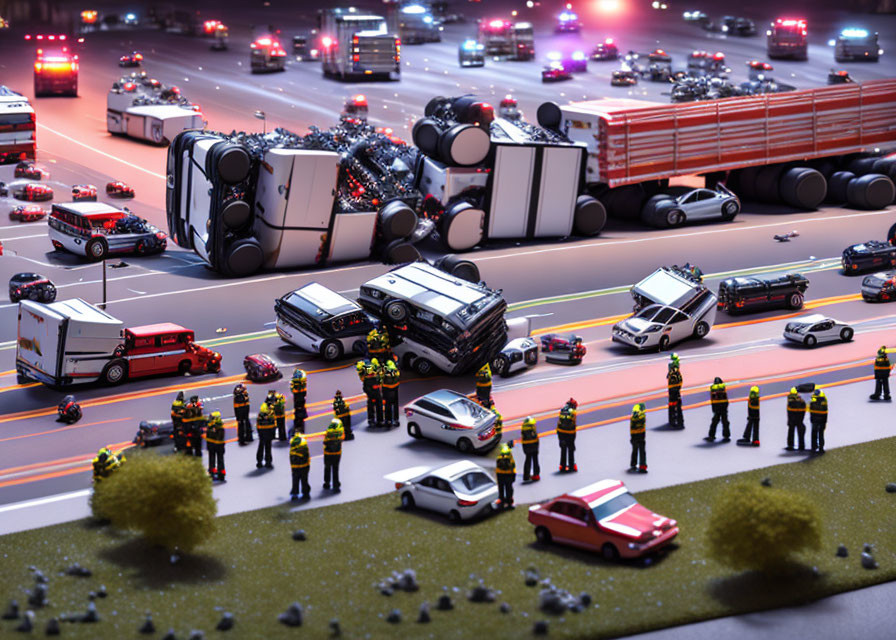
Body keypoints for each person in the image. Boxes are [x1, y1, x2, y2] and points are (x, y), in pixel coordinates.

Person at [360, 358, 384, 428]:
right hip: (372, 395)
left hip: (377, 395)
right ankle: (372, 420)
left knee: (379, 407)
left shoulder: (375, 378)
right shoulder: (368, 380)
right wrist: (371, 394)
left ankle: (379, 420)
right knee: (371, 408)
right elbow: (365, 389)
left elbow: (380, 383)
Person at [705, 377, 730, 442]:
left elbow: (712, 399)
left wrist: (713, 408)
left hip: (716, 406)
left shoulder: (713, 388)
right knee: (725, 421)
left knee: (715, 421)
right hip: (723, 406)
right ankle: (726, 436)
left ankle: (711, 435)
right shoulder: (723, 387)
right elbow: (726, 398)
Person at [323, 418, 344, 492]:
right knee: (335, 469)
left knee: (327, 467)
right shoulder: (340, 432)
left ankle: (327, 482)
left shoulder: (328, 432)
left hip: (328, 454)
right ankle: (336, 485)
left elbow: (324, 442)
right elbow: (342, 439)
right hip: (337, 454)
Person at [556, 398, 578, 472]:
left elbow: (560, 421)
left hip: (561, 432)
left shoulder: (562, 410)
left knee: (563, 449)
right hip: (570, 433)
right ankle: (572, 466)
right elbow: (573, 423)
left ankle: (562, 466)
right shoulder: (573, 412)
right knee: (571, 449)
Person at [204, 410, 226, 481]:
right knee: (220, 459)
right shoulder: (221, 426)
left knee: (212, 458)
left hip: (212, 445)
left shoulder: (211, 426)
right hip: (220, 446)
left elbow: (209, 436)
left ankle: (213, 470)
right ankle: (221, 472)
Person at [289, 432, 311, 501]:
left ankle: (294, 493)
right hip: (304, 466)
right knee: (304, 479)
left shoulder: (292, 444)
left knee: (295, 479)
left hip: (295, 466)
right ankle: (306, 493)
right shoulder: (304, 443)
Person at [495, 443, 516, 509]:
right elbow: (512, 465)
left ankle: (501, 503)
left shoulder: (498, 452)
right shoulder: (509, 454)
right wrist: (513, 475)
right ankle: (509, 504)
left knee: (501, 489)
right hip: (508, 473)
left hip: (499, 473)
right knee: (509, 489)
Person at [256, 401, 276, 469]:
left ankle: (259, 462)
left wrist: (259, 433)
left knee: (261, 447)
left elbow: (258, 426)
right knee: (268, 447)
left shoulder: (260, 415)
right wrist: (273, 434)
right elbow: (273, 425)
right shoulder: (271, 414)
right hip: (269, 433)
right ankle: (268, 462)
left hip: (262, 433)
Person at [520, 416, 540, 483]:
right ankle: (536, 475)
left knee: (527, 460)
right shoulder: (532, 427)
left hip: (526, 445)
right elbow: (535, 436)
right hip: (533, 444)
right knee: (535, 460)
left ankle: (526, 476)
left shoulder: (523, 427)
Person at [666, 353, 684, 429]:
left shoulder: (670, 372)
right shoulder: (676, 372)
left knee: (672, 405)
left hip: (672, 390)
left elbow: (668, 378)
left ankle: (672, 420)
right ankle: (679, 421)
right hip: (676, 390)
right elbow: (680, 380)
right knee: (677, 405)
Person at [381, 360, 400, 428]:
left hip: (387, 390)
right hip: (395, 389)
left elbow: (381, 379)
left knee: (387, 405)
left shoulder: (386, 372)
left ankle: (388, 420)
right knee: (395, 405)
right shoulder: (396, 371)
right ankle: (396, 419)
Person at [628, 403, 647, 473]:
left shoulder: (633, 418)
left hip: (635, 437)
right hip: (640, 437)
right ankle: (642, 466)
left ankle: (634, 465)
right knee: (641, 452)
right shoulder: (642, 417)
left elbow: (632, 428)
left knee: (635, 451)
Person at [809, 389, 828, 454]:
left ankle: (814, 447)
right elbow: (825, 412)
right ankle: (821, 448)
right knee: (821, 434)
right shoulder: (823, 400)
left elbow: (811, 410)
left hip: (815, 420)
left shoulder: (813, 399)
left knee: (814, 433)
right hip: (821, 420)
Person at [290, 369, 307, 437]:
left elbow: (292, 389)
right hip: (300, 400)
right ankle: (300, 428)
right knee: (300, 413)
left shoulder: (294, 384)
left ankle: (298, 428)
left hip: (298, 401)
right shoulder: (302, 383)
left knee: (298, 414)